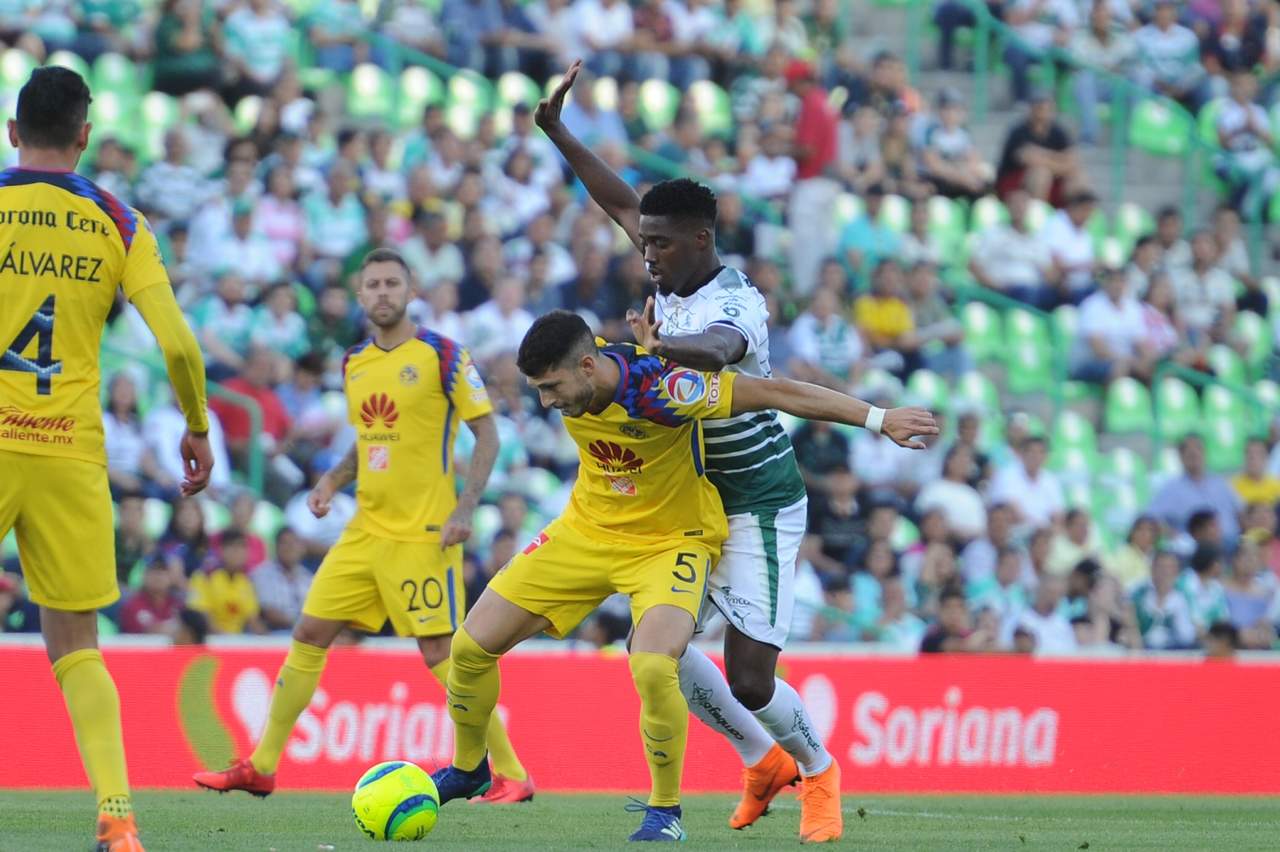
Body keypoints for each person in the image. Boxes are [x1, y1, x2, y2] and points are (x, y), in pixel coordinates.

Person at [532, 60, 888, 840]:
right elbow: (621, 200)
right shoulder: (666, 261)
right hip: (692, 501)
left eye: (658, 244)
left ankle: (820, 771)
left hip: (758, 495)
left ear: (699, 240)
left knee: (751, 676)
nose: (645, 252)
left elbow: (724, 350)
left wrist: (667, 348)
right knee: (657, 649)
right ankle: (762, 763)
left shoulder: (735, 301)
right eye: (643, 243)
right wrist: (556, 130)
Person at [429, 311, 936, 842]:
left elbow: (777, 393)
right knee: (469, 647)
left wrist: (879, 418)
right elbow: (644, 236)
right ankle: (471, 768)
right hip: (586, 528)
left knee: (652, 664)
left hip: (671, 541)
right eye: (538, 389)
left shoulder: (665, 388)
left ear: (586, 364)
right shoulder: (590, 363)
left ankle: (666, 810)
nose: (547, 402)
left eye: (552, 387)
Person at [193, 249, 534, 803]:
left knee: (439, 654)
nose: (382, 292)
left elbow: (487, 434)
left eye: (391, 283)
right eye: (371, 284)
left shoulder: (444, 355)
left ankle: (511, 769)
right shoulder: (355, 362)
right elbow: (370, 437)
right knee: (309, 633)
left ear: (411, 288)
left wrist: (465, 508)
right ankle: (261, 764)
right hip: (364, 530)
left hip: (423, 534)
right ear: (359, 295)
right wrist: (331, 482)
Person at [0, 67, 214, 852]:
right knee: (77, 648)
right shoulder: (120, 221)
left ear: (13, 132)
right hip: (69, 453)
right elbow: (182, 345)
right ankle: (118, 817)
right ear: (84, 138)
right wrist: (195, 425)